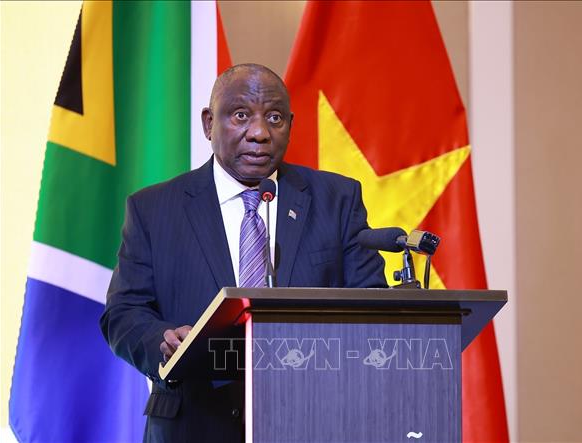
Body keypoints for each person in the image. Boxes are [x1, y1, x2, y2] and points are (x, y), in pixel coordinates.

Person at [100, 63, 387, 442]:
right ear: (209, 124)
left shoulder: (337, 200)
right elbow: (123, 314)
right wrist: (163, 340)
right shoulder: (153, 209)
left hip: (312, 419)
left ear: (290, 125)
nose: (259, 133)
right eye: (240, 116)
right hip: (194, 424)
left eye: (275, 118)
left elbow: (372, 304)